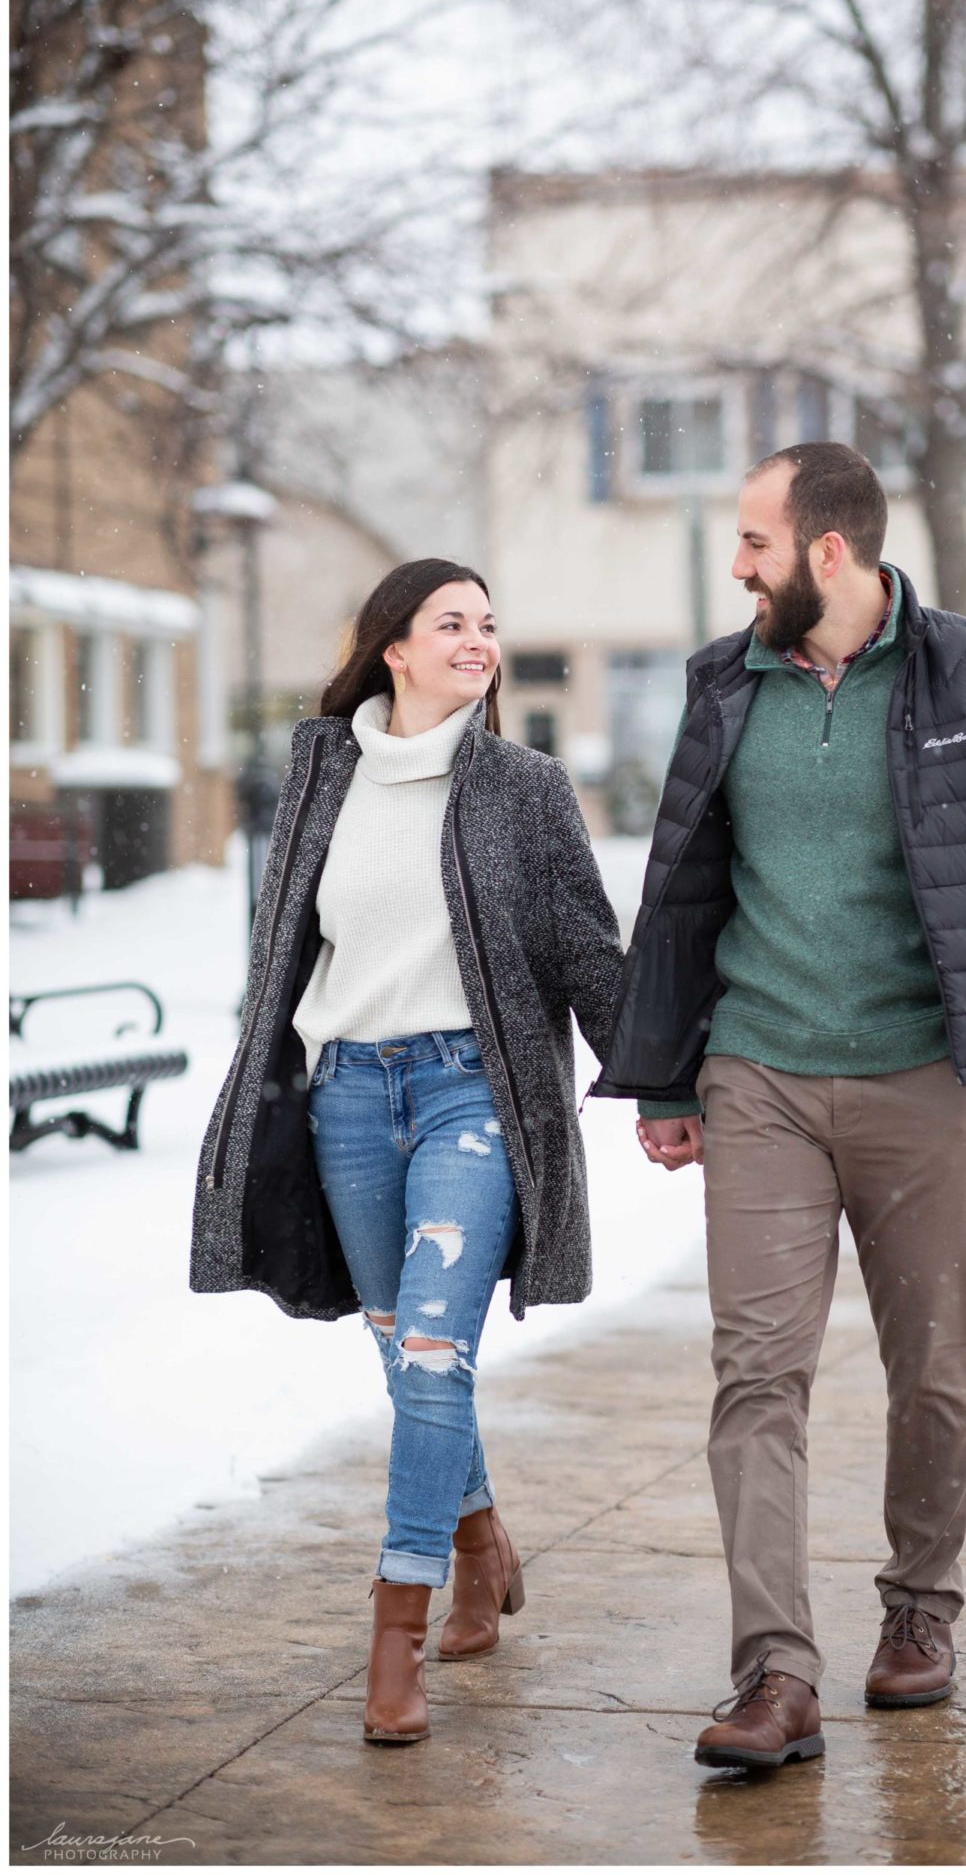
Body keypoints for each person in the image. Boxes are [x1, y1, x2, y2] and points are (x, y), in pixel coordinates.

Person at [589, 443, 966, 1769]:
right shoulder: (720, 684)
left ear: (828, 554)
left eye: (754, 543)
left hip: (926, 1078)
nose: (734, 566)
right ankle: (774, 1675)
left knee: (934, 1369)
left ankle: (918, 1611)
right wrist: (671, 1074)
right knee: (755, 1375)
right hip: (762, 1077)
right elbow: (683, 886)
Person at [190, 559, 624, 1745]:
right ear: (393, 647)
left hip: (468, 1096)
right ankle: (482, 1546)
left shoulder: (522, 788)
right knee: (402, 1352)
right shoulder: (323, 774)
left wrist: (661, 1073)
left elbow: (587, 947)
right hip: (347, 1096)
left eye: (489, 623)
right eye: (453, 624)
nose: (479, 642)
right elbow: (285, 944)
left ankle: (397, 1631)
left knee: (432, 1353)